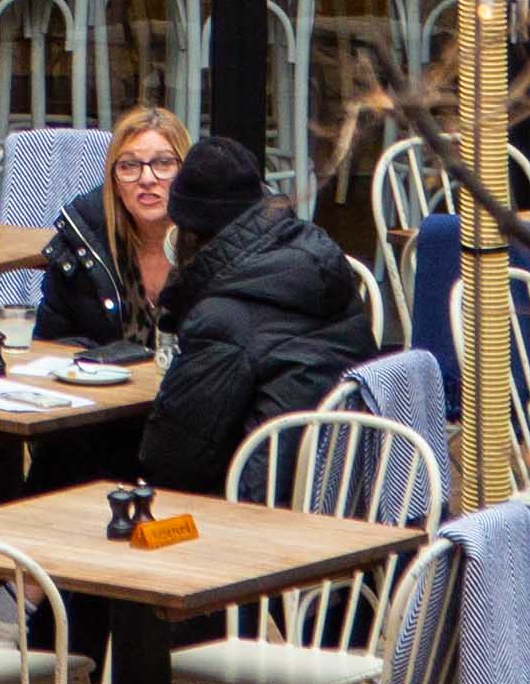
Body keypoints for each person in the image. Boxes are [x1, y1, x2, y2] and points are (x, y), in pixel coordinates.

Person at [136, 132, 381, 495]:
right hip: (341, 495)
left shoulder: (220, 317)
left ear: (189, 233)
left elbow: (172, 462)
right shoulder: (317, 264)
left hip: (255, 504)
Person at [30, 104, 196, 351]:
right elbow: (52, 343)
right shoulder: (83, 240)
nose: (147, 179)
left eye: (163, 163)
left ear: (185, 172)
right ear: (115, 182)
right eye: (129, 166)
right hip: (99, 384)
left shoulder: (214, 241)